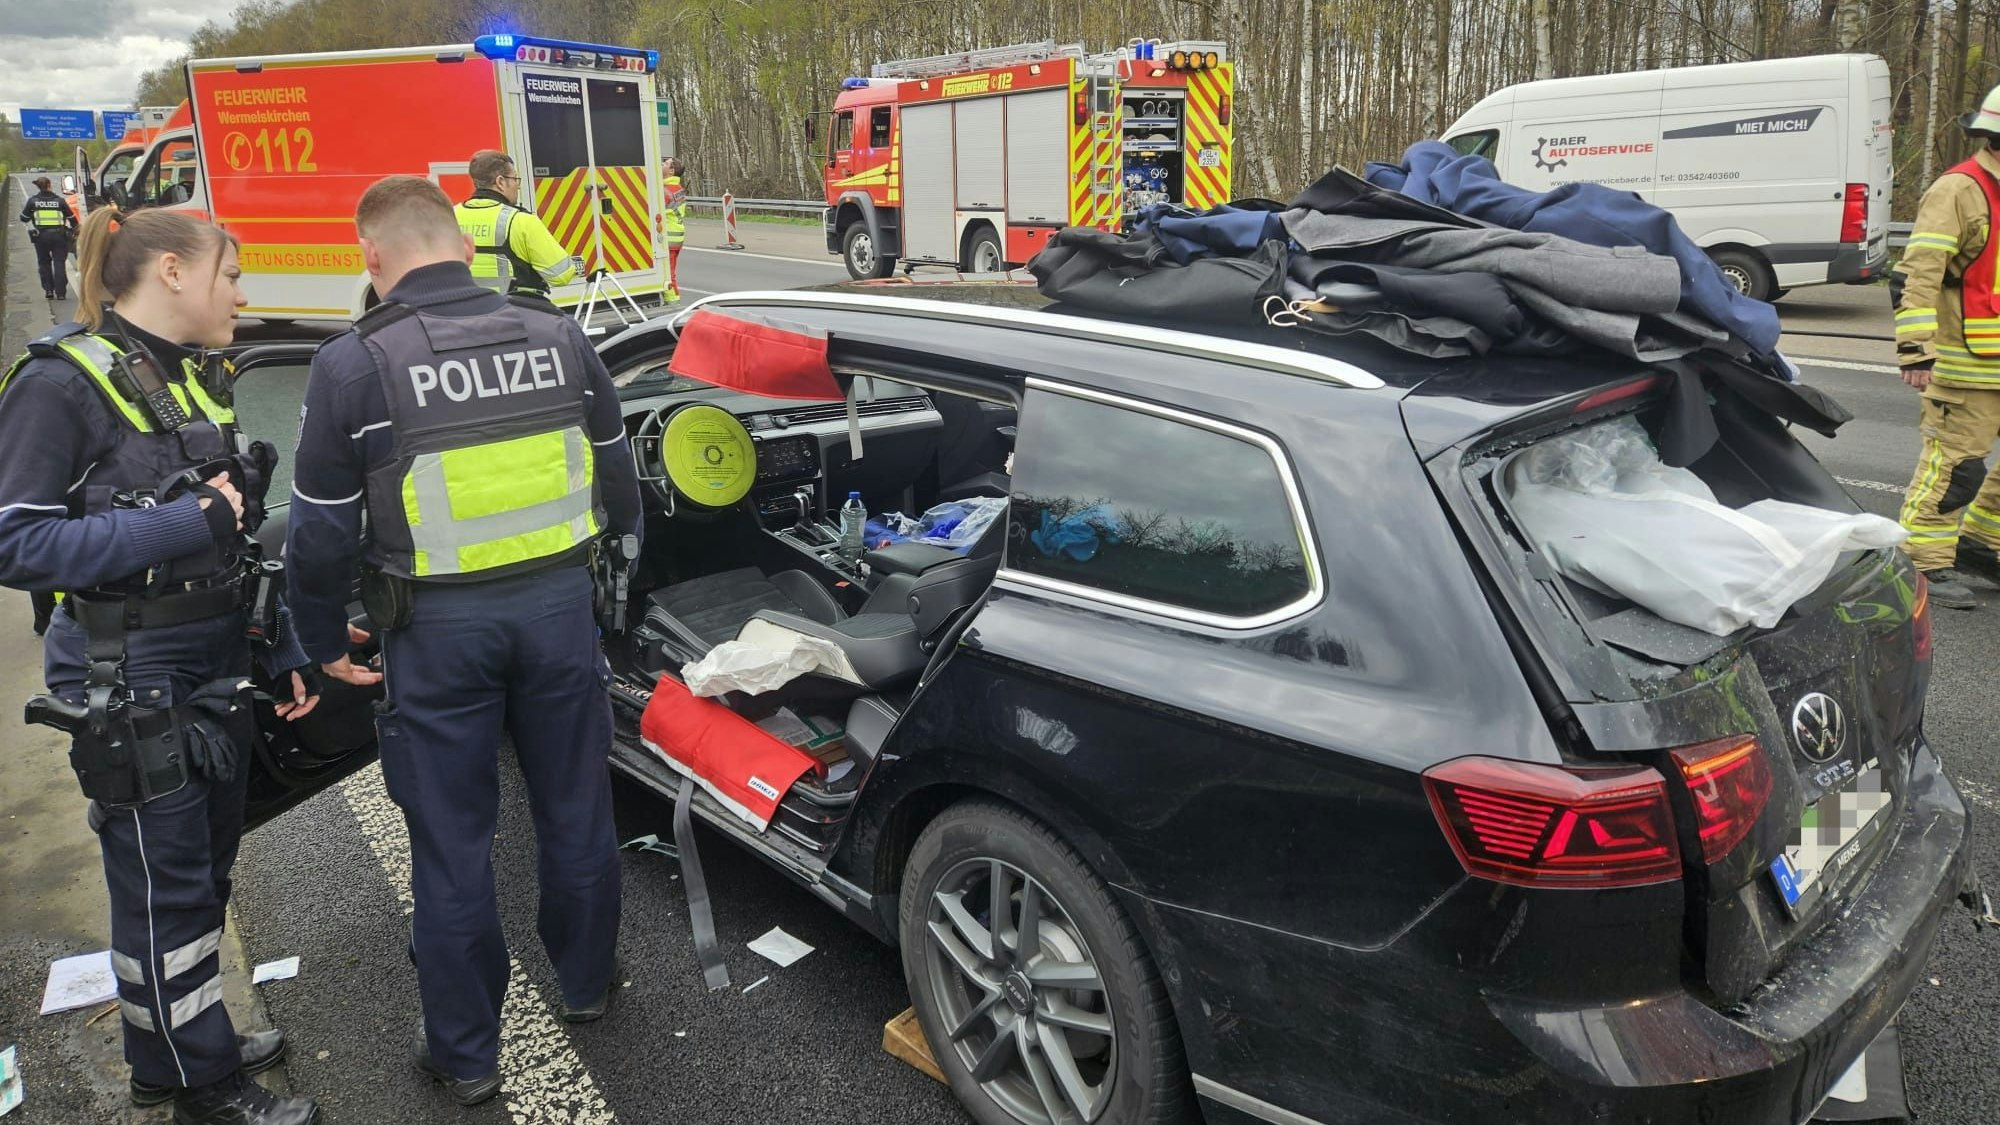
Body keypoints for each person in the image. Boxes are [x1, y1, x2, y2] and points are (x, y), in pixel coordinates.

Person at [285, 176, 641, 1106]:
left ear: (372, 258)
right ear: (467, 244)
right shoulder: (559, 336)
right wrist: (617, 577)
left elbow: (318, 531)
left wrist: (320, 639)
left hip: (437, 634)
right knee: (576, 807)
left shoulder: (355, 363)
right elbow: (619, 471)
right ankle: (589, 981)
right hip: (561, 613)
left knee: (452, 843)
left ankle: (467, 1052)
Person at [0, 207, 328, 1124]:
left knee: (202, 870)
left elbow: (241, 534)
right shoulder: (60, 382)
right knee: (164, 882)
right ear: (174, 271)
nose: (244, 291)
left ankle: (183, 1040)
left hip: (210, 658)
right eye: (233, 273)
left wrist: (287, 641)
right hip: (129, 672)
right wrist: (189, 522)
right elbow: (16, 541)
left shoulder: (194, 379)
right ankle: (199, 1086)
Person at [1893, 82, 2000, 610]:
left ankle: (1981, 542)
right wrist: (1916, 349)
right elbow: (1920, 271)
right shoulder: (1959, 190)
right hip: (1967, 364)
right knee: (1958, 464)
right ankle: (1926, 560)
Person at [453, 150, 580, 301]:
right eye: (515, 179)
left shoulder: (450, 216)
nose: (517, 186)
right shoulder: (521, 221)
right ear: (500, 182)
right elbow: (561, 275)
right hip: (515, 315)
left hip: (463, 314)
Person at [19, 174, 78, 300]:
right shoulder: (60, 201)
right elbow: (72, 219)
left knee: (44, 263)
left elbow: (23, 218)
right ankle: (61, 293)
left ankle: (49, 290)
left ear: (39, 187)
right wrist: (75, 231)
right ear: (49, 185)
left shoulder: (33, 201)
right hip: (59, 236)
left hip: (41, 237)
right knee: (59, 262)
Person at [661, 157, 687, 301]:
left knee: (668, 276)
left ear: (671, 171)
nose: (661, 164)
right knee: (671, 274)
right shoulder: (678, 188)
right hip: (676, 237)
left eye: (665, 163)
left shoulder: (666, 190)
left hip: (669, 238)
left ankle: (673, 304)